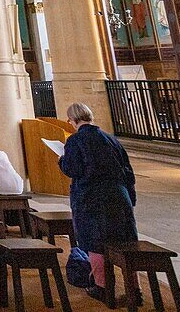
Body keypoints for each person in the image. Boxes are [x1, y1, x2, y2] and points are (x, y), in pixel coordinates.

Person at [59, 102, 138, 303]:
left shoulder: (76, 140)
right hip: (119, 196)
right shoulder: (111, 139)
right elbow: (128, 171)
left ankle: (102, 286)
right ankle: (134, 289)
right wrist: (130, 197)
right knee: (126, 243)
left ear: (73, 120)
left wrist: (61, 160)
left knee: (95, 242)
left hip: (91, 197)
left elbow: (73, 169)